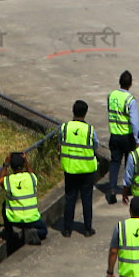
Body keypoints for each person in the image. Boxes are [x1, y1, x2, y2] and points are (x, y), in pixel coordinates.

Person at [57, 99, 104, 237]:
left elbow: (60, 140)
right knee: (86, 199)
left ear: (73, 111)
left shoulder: (64, 127)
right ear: (86, 113)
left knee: (70, 198)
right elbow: (95, 145)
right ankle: (88, 229)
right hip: (87, 169)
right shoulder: (89, 129)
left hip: (70, 168)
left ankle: (66, 229)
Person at [0, 151, 45, 251]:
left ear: (11, 167)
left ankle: (9, 230)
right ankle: (33, 233)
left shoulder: (9, 181)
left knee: (5, 204)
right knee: (44, 230)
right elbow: (31, 172)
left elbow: (0, 179)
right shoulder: (31, 178)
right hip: (32, 219)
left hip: (15, 219)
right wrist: (26, 161)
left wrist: (5, 165)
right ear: (23, 166)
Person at [103, 71, 139, 203]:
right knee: (129, 164)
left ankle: (112, 188)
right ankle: (128, 187)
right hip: (127, 136)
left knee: (115, 163)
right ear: (130, 84)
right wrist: (137, 139)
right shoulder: (130, 99)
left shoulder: (111, 96)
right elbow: (134, 122)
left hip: (114, 135)